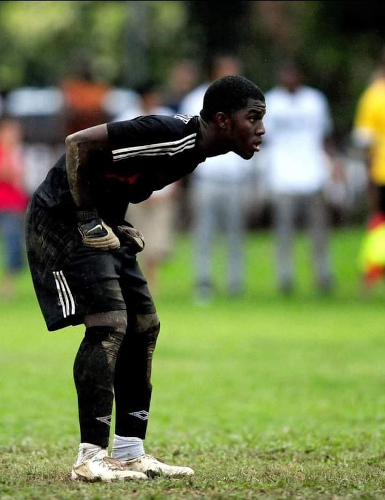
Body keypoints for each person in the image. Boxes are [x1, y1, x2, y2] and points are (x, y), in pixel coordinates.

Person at [25, 75, 266, 482]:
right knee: (108, 324)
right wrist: (87, 218)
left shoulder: (192, 152)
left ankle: (130, 451)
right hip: (61, 219)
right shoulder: (168, 134)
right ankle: (89, 458)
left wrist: (116, 221)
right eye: (253, 117)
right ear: (223, 120)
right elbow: (78, 145)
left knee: (144, 325)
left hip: (101, 221)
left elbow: (114, 174)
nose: (261, 129)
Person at [179, 55, 254, 302]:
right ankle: (203, 282)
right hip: (207, 177)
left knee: (236, 234)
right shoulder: (196, 99)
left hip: (235, 178)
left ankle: (235, 282)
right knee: (204, 234)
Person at [264, 60, 337, 295]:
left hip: (313, 175)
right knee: (284, 234)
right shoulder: (271, 101)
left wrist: (332, 164)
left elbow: (325, 135)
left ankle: (323, 276)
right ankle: (285, 278)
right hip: (283, 177)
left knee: (319, 234)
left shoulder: (314, 100)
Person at [115, 82, 179, 293]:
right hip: (133, 190)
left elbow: (178, 155)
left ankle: (152, 281)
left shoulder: (168, 118)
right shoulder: (126, 120)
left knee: (158, 241)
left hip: (161, 190)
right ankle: (137, 280)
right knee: (134, 238)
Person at [352, 50, 385, 289]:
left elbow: (365, 140)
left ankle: (372, 274)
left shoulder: (374, 95)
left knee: (379, 224)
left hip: (381, 171)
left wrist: (369, 176)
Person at [0, 117, 29, 300]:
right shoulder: (5, 153)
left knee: (13, 245)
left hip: (13, 205)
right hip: (4, 203)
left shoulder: (17, 154)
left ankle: (8, 286)